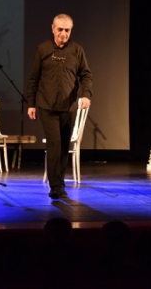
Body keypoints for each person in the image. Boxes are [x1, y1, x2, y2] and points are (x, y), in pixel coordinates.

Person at [27, 13, 93, 200]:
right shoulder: (43, 49)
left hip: (67, 106)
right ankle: (55, 186)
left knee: (64, 145)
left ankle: (59, 183)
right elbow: (34, 79)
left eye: (67, 30)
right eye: (60, 29)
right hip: (46, 106)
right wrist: (31, 104)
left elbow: (86, 75)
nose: (63, 33)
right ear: (53, 29)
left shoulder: (77, 50)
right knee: (54, 143)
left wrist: (86, 95)